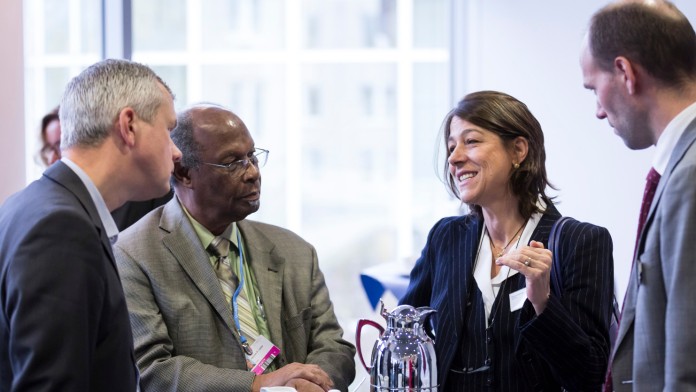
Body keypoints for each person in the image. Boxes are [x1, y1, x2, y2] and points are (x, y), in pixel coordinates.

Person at [113, 103, 356, 392]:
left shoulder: (295, 252)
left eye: (252, 156)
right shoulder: (133, 255)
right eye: (232, 162)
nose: (253, 172)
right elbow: (154, 370)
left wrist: (306, 384)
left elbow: (335, 347)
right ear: (184, 172)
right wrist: (259, 385)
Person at [399, 91, 614, 391]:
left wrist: (543, 302)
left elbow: (590, 375)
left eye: (471, 141)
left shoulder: (581, 242)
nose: (454, 157)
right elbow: (403, 335)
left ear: (518, 150)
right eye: (451, 146)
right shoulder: (445, 238)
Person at [0, 59, 182, 391]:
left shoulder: (30, 204)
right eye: (169, 130)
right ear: (128, 125)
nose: (177, 152)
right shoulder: (61, 228)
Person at [580, 1, 696, 390]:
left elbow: (687, 367)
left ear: (625, 73)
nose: (598, 111)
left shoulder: (690, 176)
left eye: (594, 88)